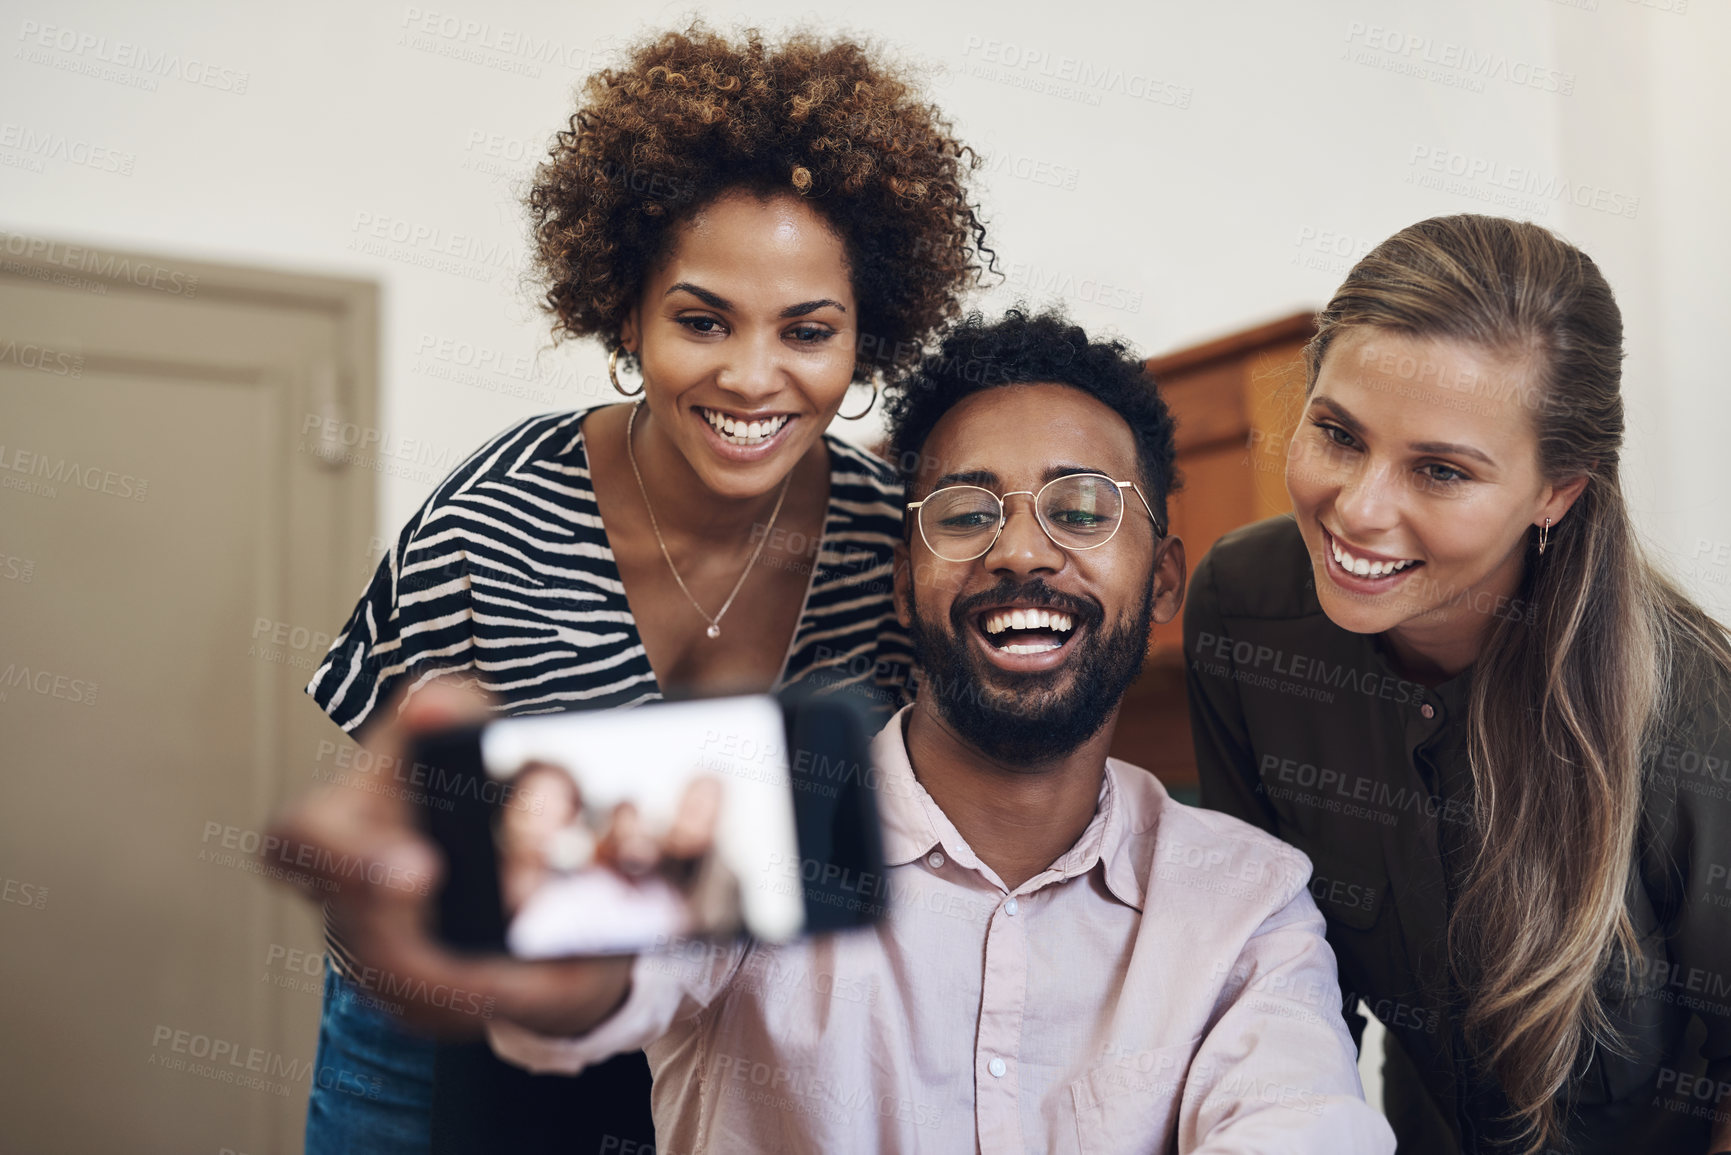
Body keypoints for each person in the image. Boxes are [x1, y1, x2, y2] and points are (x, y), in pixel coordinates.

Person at [291, 23, 992, 1153]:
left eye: (807, 331)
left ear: (867, 340)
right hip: (448, 1035)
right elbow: (401, 815)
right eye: (702, 320)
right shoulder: (491, 521)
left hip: (726, 1028)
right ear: (626, 311)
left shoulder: (887, 547)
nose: (753, 376)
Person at [467, 310, 1397, 1153]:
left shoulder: (1247, 903)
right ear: (904, 583)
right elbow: (590, 984)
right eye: (964, 514)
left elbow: (1303, 1124)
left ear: (1161, 580)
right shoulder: (753, 814)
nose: (1022, 550)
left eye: (1081, 510)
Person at [1184, 214, 1731, 1155]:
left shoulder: (1696, 707)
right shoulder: (1242, 607)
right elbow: (1273, 975)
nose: (1357, 509)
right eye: (1337, 434)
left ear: (1557, 491)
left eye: (1439, 470)